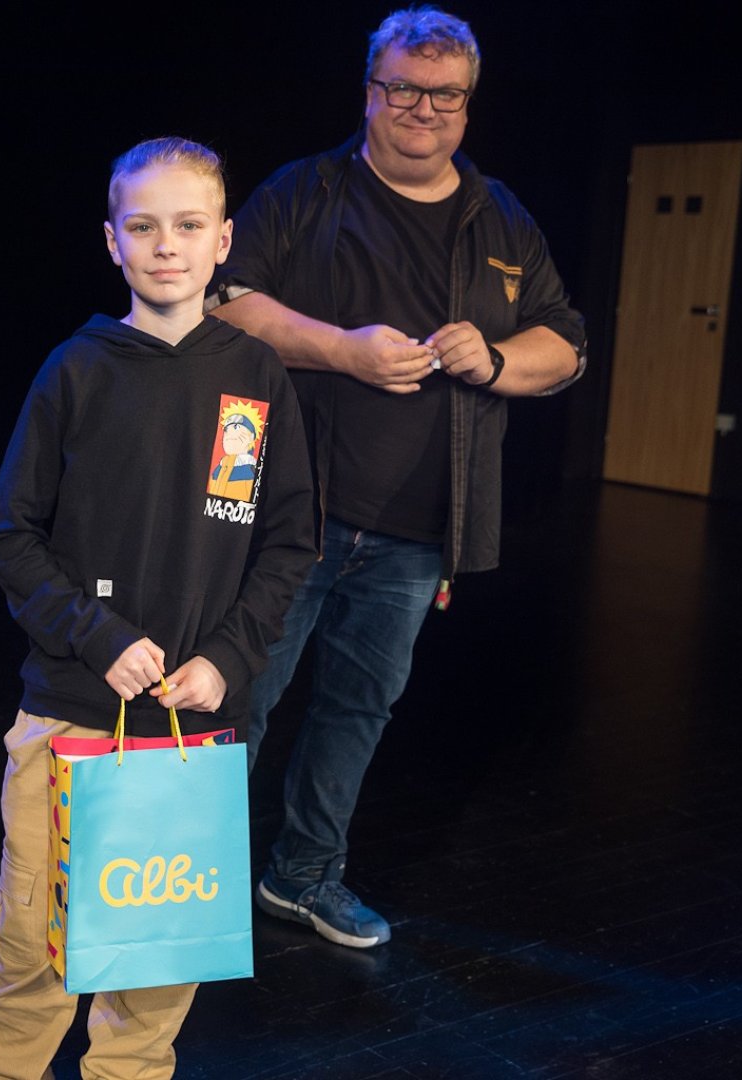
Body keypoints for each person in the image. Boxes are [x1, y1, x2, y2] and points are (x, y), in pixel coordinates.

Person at [210, 5, 587, 950]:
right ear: (370, 91)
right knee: (238, 702)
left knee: (357, 709)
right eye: (405, 89)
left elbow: (566, 345)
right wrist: (343, 348)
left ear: (468, 104)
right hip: (288, 516)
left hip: (421, 532)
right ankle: (189, 888)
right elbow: (226, 303)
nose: (424, 109)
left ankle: (303, 877)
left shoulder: (502, 216)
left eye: (445, 95)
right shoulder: (304, 190)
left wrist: (494, 359)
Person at [0, 137, 316, 1080]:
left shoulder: (258, 376)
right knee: (34, 939)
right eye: (144, 226)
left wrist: (229, 659)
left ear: (223, 241)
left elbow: (290, 542)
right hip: (70, 717)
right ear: (112, 241)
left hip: (192, 730)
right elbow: (9, 533)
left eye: (189, 225)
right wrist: (98, 637)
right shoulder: (76, 369)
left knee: (160, 956)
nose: (167, 245)